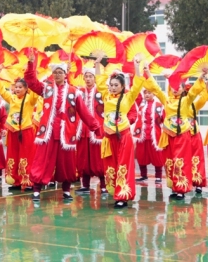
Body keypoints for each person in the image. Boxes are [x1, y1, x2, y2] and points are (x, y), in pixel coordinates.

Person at [24, 51, 101, 203]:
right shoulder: (46, 89)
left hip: (66, 133)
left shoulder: (74, 92)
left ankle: (66, 190)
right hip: (48, 132)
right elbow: (31, 81)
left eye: (60, 72)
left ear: (66, 74)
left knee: (67, 164)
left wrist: (95, 127)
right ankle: (36, 190)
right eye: (55, 72)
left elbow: (84, 112)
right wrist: (31, 64)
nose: (57, 75)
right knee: (42, 161)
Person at [142, 67, 208, 199]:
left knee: (180, 161)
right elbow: (156, 88)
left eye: (179, 86)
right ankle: (174, 186)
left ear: (183, 89)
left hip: (182, 135)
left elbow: (194, 91)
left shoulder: (186, 100)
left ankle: (181, 189)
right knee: (170, 161)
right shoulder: (166, 100)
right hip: (167, 135)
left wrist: (202, 76)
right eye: (173, 86)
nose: (175, 88)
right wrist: (148, 72)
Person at [94, 57, 145, 209]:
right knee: (111, 165)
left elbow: (138, 84)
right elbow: (99, 81)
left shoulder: (128, 97)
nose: (113, 87)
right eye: (111, 85)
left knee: (124, 165)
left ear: (123, 87)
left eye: (116, 85)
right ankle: (115, 191)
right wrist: (97, 64)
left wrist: (136, 66)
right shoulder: (106, 95)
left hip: (123, 136)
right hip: (109, 137)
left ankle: (122, 196)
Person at [0, 72, 39, 191]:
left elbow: (36, 92)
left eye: (20, 87)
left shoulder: (30, 99)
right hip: (12, 131)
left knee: (26, 156)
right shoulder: (12, 98)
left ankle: (28, 182)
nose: (17, 89)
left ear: (26, 88)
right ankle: (16, 181)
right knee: (13, 155)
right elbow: (2, 91)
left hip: (26, 131)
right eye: (16, 87)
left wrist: (34, 78)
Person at [75, 67, 107, 195]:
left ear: (95, 78)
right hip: (82, 130)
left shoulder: (102, 91)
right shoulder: (79, 92)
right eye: (86, 76)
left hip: (98, 129)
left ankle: (104, 185)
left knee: (99, 159)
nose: (88, 79)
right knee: (83, 159)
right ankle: (85, 185)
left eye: (90, 76)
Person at [134, 89, 165, 183]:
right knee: (141, 154)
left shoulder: (159, 106)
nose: (147, 95)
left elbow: (164, 119)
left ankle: (158, 176)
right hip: (142, 135)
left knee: (157, 156)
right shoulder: (141, 107)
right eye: (145, 93)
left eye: (149, 93)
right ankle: (143, 175)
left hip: (155, 135)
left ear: (154, 94)